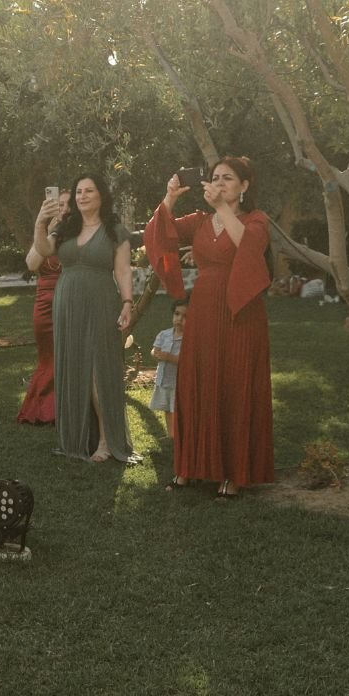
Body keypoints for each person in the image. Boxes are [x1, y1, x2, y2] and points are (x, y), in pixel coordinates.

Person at [145, 157, 273, 498]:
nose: (219, 183)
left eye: (227, 178)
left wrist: (222, 209)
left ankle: (232, 472)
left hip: (240, 311)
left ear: (244, 186)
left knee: (234, 382)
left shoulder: (256, 219)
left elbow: (249, 247)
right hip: (203, 309)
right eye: (214, 177)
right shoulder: (201, 221)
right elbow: (160, 233)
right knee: (198, 383)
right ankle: (190, 466)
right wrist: (170, 197)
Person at [33, 172, 138, 463]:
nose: (82, 196)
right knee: (72, 367)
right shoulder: (67, 226)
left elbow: (123, 270)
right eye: (79, 191)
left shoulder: (114, 229)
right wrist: (41, 222)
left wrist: (128, 302)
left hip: (101, 301)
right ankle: (76, 439)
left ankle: (106, 442)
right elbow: (42, 251)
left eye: (89, 191)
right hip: (67, 302)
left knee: (98, 370)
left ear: (101, 195)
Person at [16, 189, 70, 425]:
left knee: (69, 353)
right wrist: (46, 227)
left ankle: (68, 407)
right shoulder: (47, 233)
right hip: (45, 302)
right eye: (59, 204)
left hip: (70, 298)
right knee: (48, 355)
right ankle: (44, 408)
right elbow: (31, 263)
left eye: (68, 204)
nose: (64, 209)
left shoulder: (80, 233)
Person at [149, 299, 187, 438]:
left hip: (178, 381)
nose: (179, 319)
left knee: (177, 408)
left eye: (185, 317)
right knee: (167, 408)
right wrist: (156, 354)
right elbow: (154, 350)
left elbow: (187, 361)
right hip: (164, 379)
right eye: (177, 314)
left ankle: (179, 433)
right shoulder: (164, 334)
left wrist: (169, 357)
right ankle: (171, 434)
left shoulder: (188, 338)